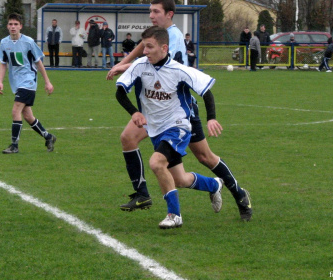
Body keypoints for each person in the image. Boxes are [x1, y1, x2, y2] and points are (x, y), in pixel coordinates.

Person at [107, 0, 252, 222]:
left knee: (204, 156)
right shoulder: (154, 36)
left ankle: (239, 194)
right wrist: (125, 64)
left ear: (169, 14)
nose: (151, 16)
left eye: (156, 11)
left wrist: (124, 66)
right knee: (176, 175)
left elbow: (152, 60)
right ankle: (144, 193)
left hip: (181, 110)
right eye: (150, 11)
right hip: (157, 110)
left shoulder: (171, 37)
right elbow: (142, 51)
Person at [116, 26, 224, 229]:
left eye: (149, 47)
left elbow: (206, 91)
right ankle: (214, 184)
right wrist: (135, 112)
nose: (145, 51)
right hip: (156, 130)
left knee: (157, 163)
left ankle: (174, 215)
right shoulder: (140, 66)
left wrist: (211, 118)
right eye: (144, 46)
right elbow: (120, 92)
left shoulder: (179, 70)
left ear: (164, 47)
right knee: (179, 180)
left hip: (178, 126)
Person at [0, 13, 57, 154]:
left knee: (15, 110)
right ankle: (48, 137)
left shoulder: (28, 42)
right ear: (7, 26)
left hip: (28, 81)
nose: (13, 27)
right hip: (16, 83)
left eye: (16, 24)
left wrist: (47, 82)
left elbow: (38, 62)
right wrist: (0, 81)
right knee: (28, 116)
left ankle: (14, 146)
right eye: (10, 24)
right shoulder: (4, 43)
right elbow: (3, 63)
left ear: (20, 26)